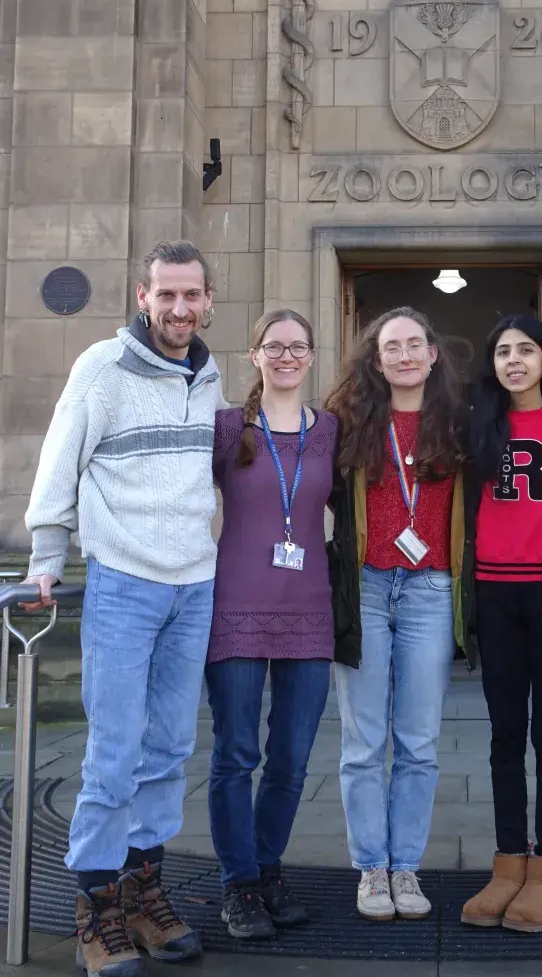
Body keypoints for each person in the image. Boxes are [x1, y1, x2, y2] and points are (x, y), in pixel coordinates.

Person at [22, 240, 225, 977]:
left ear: (208, 302)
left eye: (190, 296)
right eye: (164, 294)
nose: (178, 308)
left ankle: (145, 894)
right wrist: (46, 559)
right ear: (143, 296)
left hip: (194, 585)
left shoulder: (208, 375)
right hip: (124, 585)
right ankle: (96, 909)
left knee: (170, 749)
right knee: (113, 757)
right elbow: (59, 461)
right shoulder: (100, 369)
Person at [325, 306, 471, 922]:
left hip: (430, 591)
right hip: (365, 587)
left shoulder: (459, 425)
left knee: (418, 741)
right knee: (364, 742)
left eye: (416, 344)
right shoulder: (349, 422)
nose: (405, 355)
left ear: (433, 354)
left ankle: (406, 865)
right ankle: (371, 869)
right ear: (375, 359)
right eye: (392, 346)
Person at [207, 310, 337, 940]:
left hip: (309, 612)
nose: (286, 355)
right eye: (274, 346)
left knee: (290, 757)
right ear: (254, 354)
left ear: (311, 356)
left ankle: (267, 867)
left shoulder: (331, 431)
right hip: (234, 607)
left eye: (298, 346)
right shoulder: (228, 428)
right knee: (235, 753)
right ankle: (237, 884)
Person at [460, 315, 542, 934]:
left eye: (526, 350)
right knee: (504, 733)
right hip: (496, 592)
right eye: (503, 351)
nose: (514, 360)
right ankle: (508, 862)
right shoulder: (478, 427)